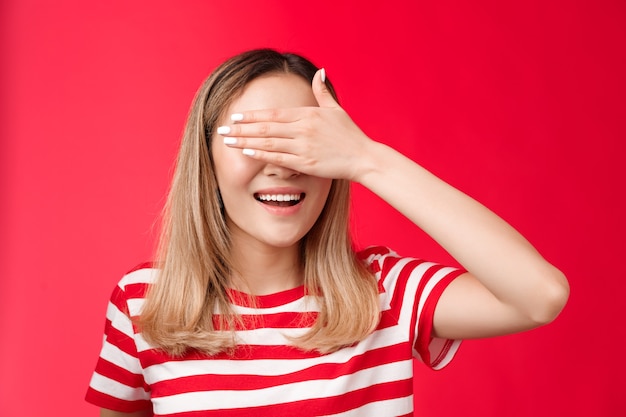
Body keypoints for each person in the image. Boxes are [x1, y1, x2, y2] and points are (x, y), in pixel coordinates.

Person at [85, 49, 569, 417]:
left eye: (305, 142)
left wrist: (369, 159)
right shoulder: (142, 302)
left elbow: (539, 295)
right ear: (205, 160)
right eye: (253, 140)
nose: (281, 164)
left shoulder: (385, 292)